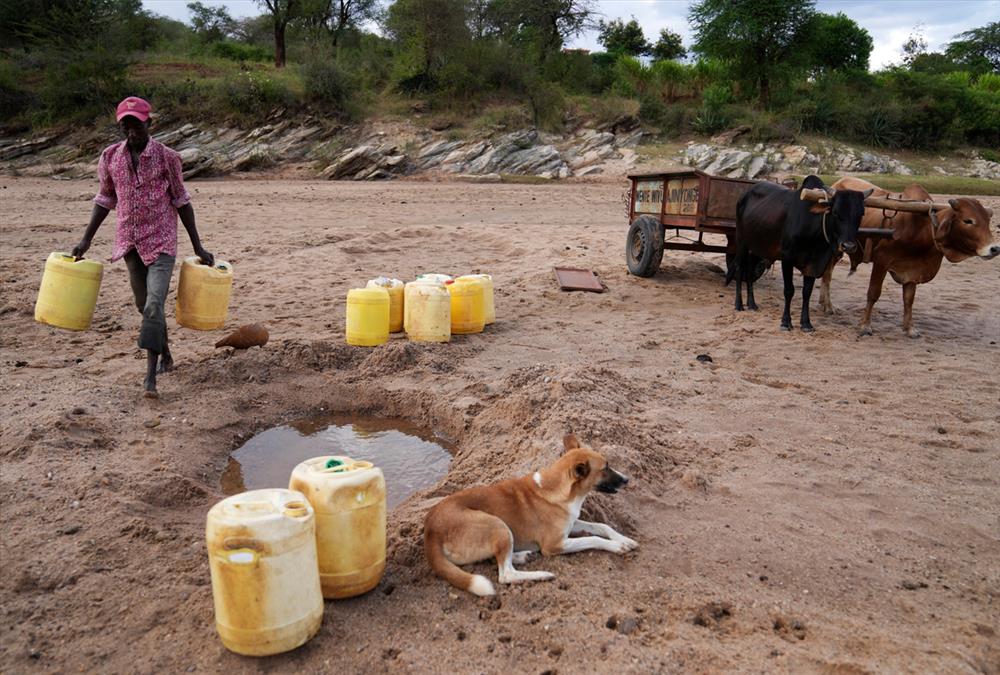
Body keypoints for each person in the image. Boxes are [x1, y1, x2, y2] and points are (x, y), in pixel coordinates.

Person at [71, 96, 214, 398]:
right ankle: (168, 354)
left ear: (150, 123)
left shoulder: (167, 158)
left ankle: (151, 377)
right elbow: (105, 199)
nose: (131, 130)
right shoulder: (110, 157)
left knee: (153, 304)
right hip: (129, 243)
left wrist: (198, 247)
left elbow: (182, 201)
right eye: (126, 124)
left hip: (162, 242)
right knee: (143, 306)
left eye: (136, 123)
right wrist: (85, 241)